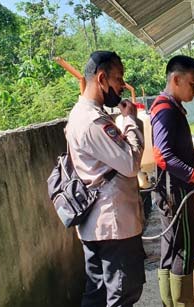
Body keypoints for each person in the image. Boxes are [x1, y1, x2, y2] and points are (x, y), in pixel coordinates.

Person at [65, 50, 146, 307]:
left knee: (97, 295)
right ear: (101, 78)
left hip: (98, 224)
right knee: (122, 294)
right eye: (119, 79)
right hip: (114, 225)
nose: (122, 86)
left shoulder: (81, 115)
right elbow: (131, 164)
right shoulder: (93, 121)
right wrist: (131, 121)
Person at [151, 55, 194, 307]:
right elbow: (162, 155)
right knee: (187, 247)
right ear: (176, 79)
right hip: (175, 192)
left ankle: (172, 304)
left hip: (170, 191)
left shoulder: (169, 107)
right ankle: (184, 304)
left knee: (172, 248)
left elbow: (170, 149)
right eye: (192, 83)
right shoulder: (166, 111)